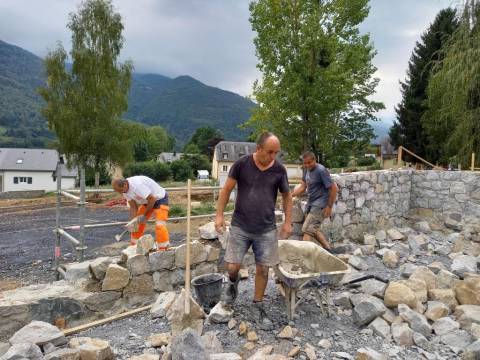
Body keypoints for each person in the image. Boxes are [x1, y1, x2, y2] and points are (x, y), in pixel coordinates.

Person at [215, 132, 292, 328]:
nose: (274, 156)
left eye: (276, 152)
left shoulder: (279, 170)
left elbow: (287, 196)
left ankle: (258, 304)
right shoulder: (241, 164)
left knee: (263, 269)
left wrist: (287, 222)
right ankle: (232, 285)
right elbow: (226, 190)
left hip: (265, 228)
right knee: (232, 267)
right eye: (270, 152)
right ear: (258, 149)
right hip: (240, 225)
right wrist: (219, 215)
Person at [291, 151, 338, 250]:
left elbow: (334, 189)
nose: (307, 165)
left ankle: (303, 258)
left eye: (309, 163)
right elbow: (303, 187)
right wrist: (290, 195)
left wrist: (329, 207)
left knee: (307, 230)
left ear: (314, 160)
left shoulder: (321, 170)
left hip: (321, 204)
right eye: (305, 163)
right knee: (311, 228)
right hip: (311, 203)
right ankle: (328, 249)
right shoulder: (306, 169)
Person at [112, 176, 169, 250]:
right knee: (136, 224)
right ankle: (134, 247)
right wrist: (132, 222)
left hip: (160, 199)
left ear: (125, 184)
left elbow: (152, 199)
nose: (121, 193)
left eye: (121, 190)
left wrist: (144, 215)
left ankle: (163, 248)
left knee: (160, 225)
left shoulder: (137, 186)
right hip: (147, 201)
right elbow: (133, 207)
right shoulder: (124, 191)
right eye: (119, 191)